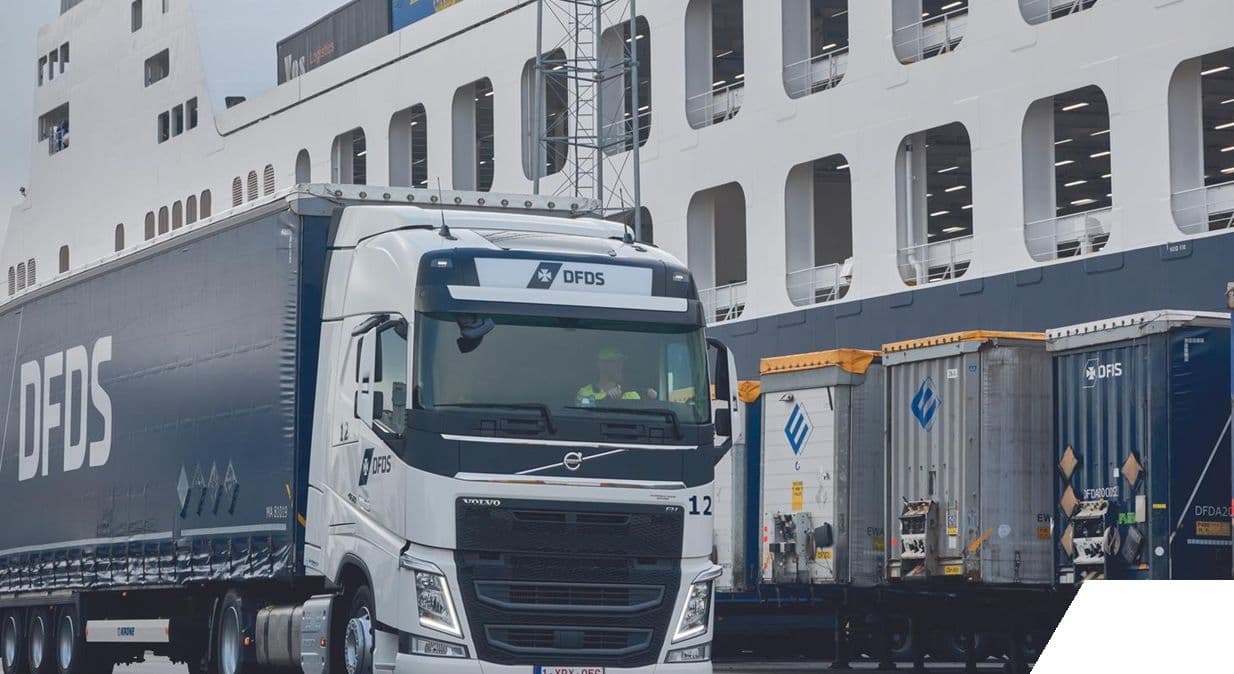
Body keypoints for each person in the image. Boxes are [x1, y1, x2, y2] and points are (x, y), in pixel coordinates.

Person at [577, 347, 657, 403]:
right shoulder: (585, 393)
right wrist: (606, 400)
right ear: (601, 365)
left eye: (621, 362)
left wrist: (620, 403)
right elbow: (584, 417)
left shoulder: (631, 395)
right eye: (616, 362)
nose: (620, 366)